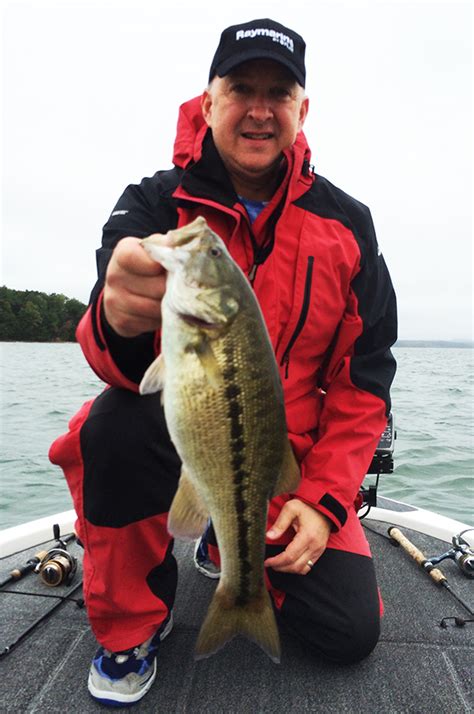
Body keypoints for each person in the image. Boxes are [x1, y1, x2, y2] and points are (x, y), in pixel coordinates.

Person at [49, 17, 397, 708]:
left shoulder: (349, 224)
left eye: (280, 91)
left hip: (288, 459)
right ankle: (130, 626)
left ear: (303, 110)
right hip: (180, 431)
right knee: (110, 425)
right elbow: (111, 359)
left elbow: (364, 385)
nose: (261, 109)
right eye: (242, 88)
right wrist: (116, 317)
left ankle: (229, 546)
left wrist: (324, 502)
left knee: (348, 632)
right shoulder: (153, 204)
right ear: (208, 102)